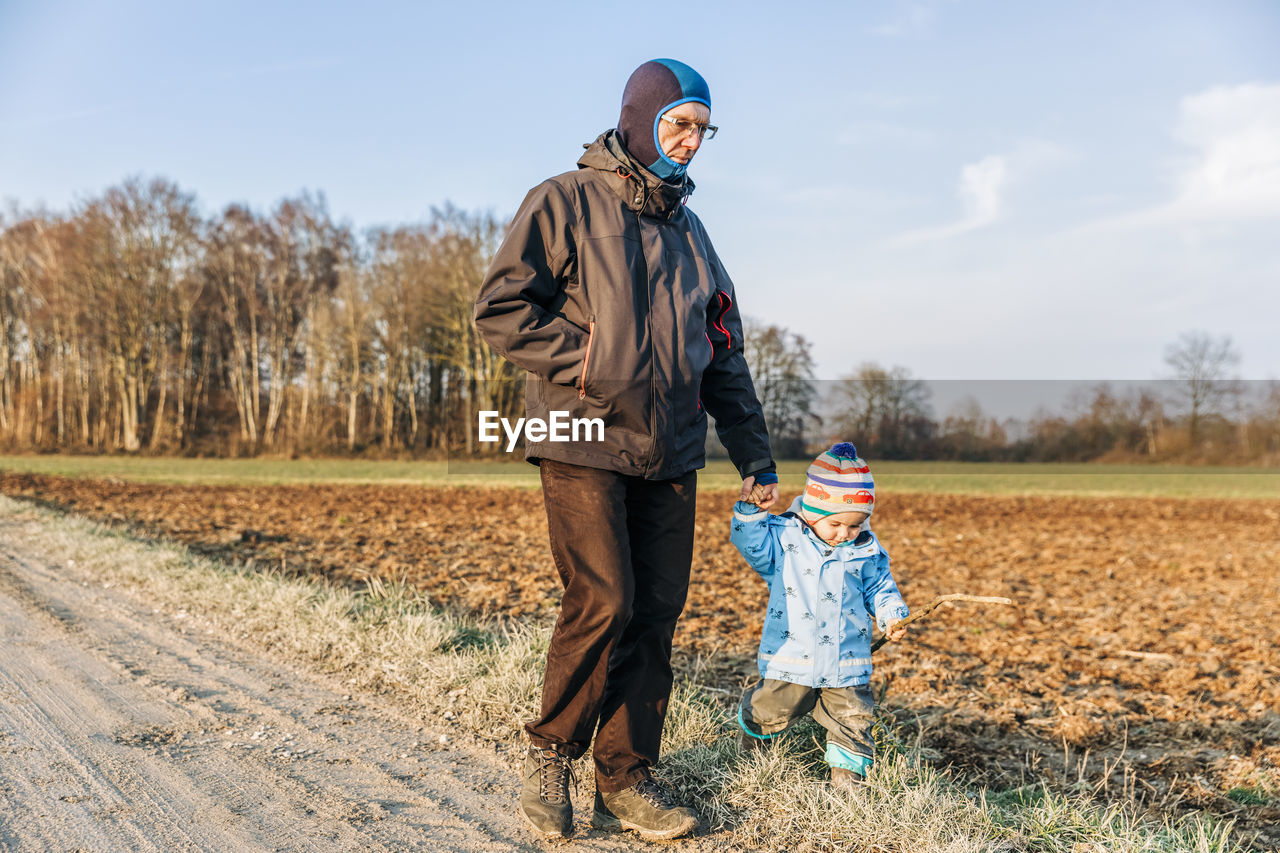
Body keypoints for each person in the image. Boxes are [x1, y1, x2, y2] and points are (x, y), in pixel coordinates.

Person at [474, 58, 779, 841]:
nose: (692, 142)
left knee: (654, 615)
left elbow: (724, 348)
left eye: (703, 130)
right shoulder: (564, 201)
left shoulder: (692, 231)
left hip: (672, 448)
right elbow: (503, 309)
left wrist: (754, 454)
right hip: (579, 435)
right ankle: (550, 749)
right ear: (641, 118)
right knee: (604, 598)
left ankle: (626, 774)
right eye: (680, 124)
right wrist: (592, 361)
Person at [730, 442, 909, 788]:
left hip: (847, 661)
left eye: (855, 525)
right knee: (773, 709)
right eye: (837, 523)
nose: (845, 534)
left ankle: (848, 783)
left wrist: (892, 615)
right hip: (792, 656)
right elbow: (750, 545)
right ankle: (754, 741)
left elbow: (880, 588)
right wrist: (750, 512)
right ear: (812, 510)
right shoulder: (784, 540)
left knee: (853, 719)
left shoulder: (866, 550)